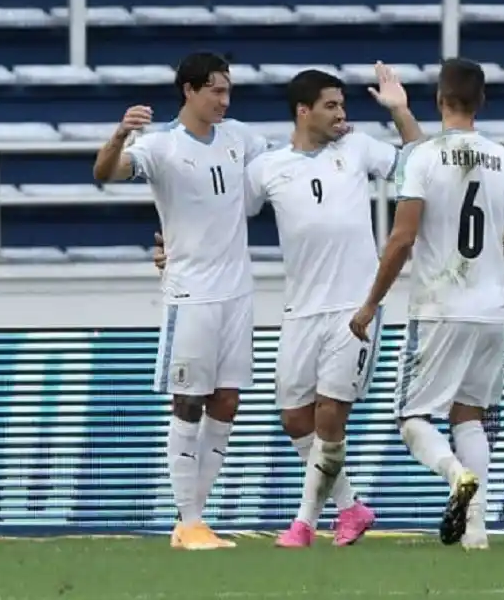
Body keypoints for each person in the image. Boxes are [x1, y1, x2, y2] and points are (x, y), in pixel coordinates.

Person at [153, 64, 423, 548]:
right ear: (304, 112)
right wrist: (173, 248)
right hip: (300, 311)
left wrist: (400, 111)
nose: (342, 114)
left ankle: (302, 522)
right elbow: (220, 215)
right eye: (331, 105)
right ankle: (351, 508)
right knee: (295, 417)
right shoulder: (267, 168)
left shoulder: (359, 149)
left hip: (354, 307)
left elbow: (419, 167)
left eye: (343, 105)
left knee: (328, 414)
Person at [348, 57, 504, 550]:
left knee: (412, 419)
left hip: (439, 307)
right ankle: (477, 531)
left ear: (440, 100)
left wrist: (369, 305)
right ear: (481, 102)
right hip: (491, 312)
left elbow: (401, 240)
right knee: (469, 416)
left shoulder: (422, 158)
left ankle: (454, 473)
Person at [93, 52, 268, 550]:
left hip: (237, 291)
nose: (224, 100)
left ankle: (199, 519)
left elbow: (282, 163)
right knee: (188, 401)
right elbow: (105, 172)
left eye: (228, 90)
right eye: (215, 90)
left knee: (227, 401)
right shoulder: (162, 145)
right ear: (189, 91)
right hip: (191, 291)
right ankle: (187, 519)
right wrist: (119, 135)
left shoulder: (240, 138)